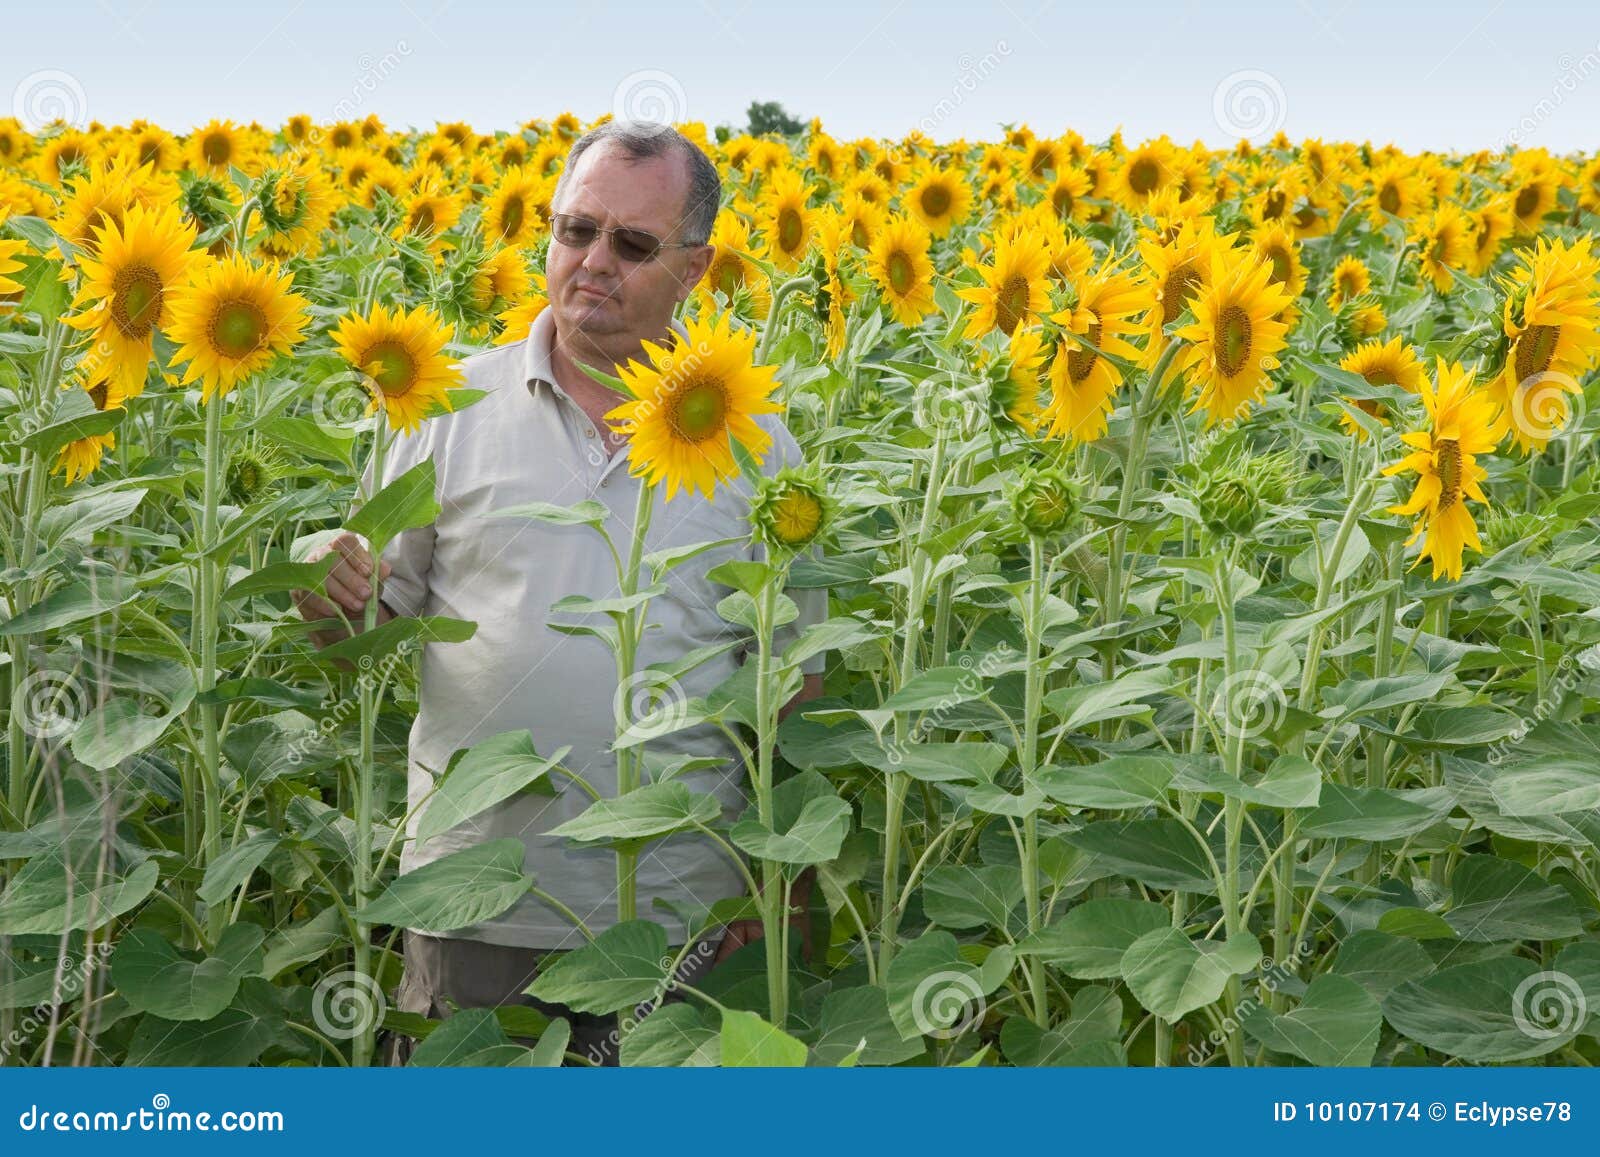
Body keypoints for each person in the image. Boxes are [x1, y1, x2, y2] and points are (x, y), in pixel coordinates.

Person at [291, 121, 825, 1065]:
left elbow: (788, 689)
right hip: (479, 903)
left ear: (696, 268)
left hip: (682, 914)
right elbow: (364, 635)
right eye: (574, 230)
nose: (594, 263)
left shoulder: (754, 439)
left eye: (631, 244)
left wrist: (776, 878)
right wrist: (324, 591)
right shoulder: (447, 404)